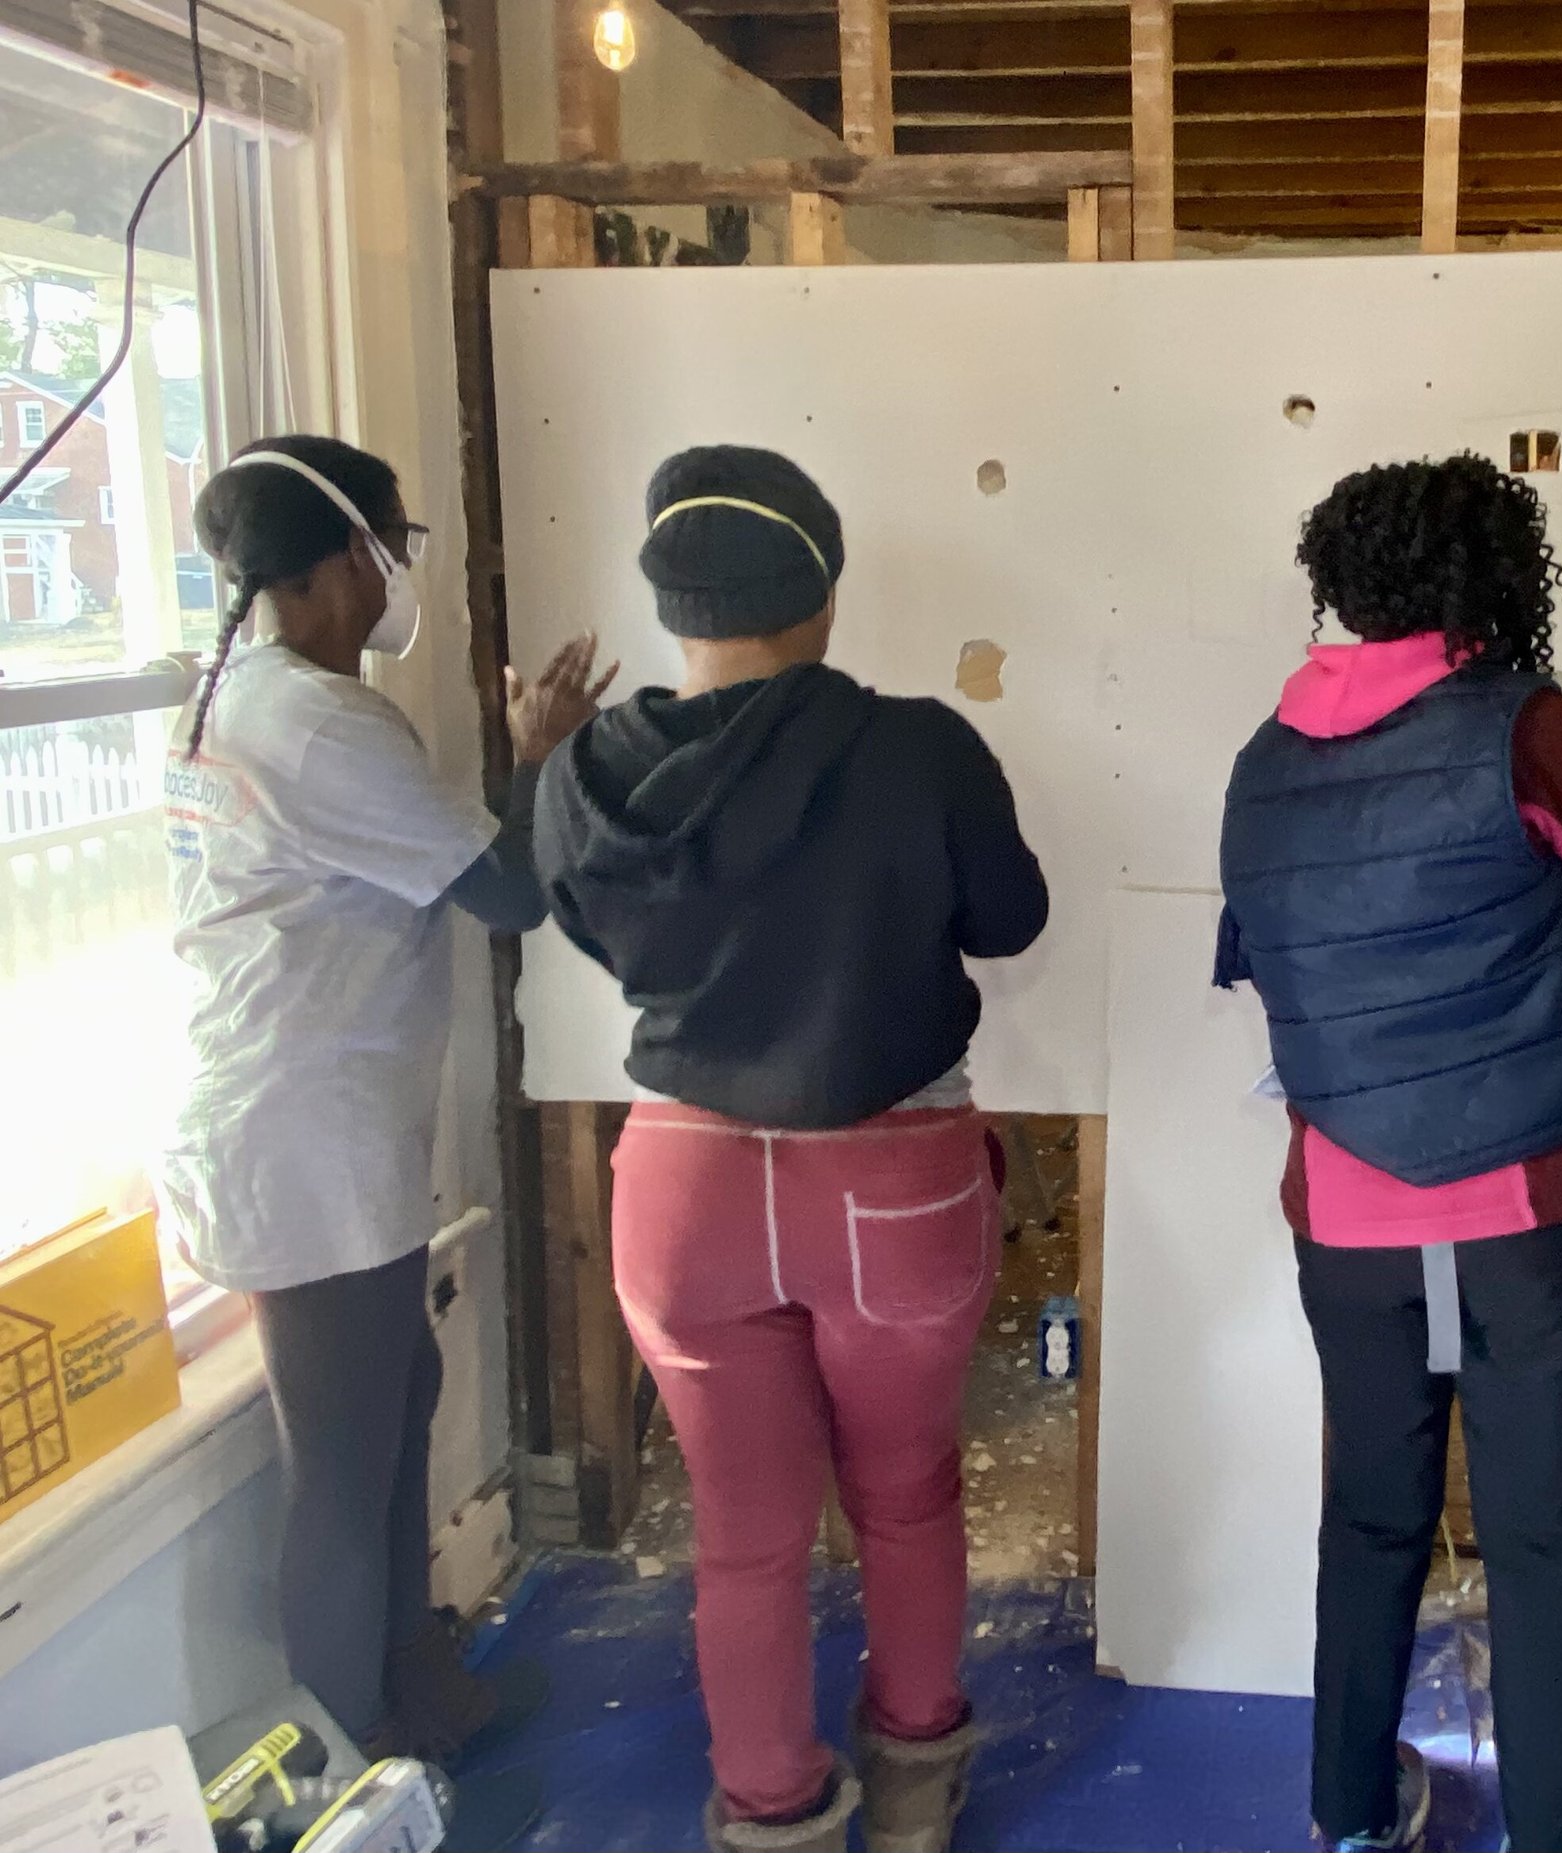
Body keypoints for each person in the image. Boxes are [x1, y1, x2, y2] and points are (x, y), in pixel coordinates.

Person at [533, 446, 1048, 1853]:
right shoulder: (919, 747)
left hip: (683, 1188)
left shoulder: (583, 768)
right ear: (822, 592)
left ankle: (773, 1812)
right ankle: (916, 1789)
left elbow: (581, 925)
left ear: (666, 601)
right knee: (908, 1490)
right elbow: (1010, 919)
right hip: (891, 1177)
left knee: (743, 1531)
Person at [1216, 454, 1562, 1853]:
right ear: (1495, 576)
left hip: (1348, 1205)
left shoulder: (1265, 756)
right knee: (1538, 1534)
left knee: (1370, 1513)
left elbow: (1264, 953)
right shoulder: (1525, 726)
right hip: (1527, 1194)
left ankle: (1348, 1812)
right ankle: (1546, 1830)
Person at [161, 436, 603, 1847]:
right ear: (345, 552)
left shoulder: (246, 696)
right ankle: (351, 1787)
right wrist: (537, 756)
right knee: (343, 1470)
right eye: (393, 544)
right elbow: (510, 892)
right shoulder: (317, 726)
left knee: (399, 1393)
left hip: (307, 1117)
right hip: (307, 1135)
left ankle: (419, 1697)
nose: (397, 572)